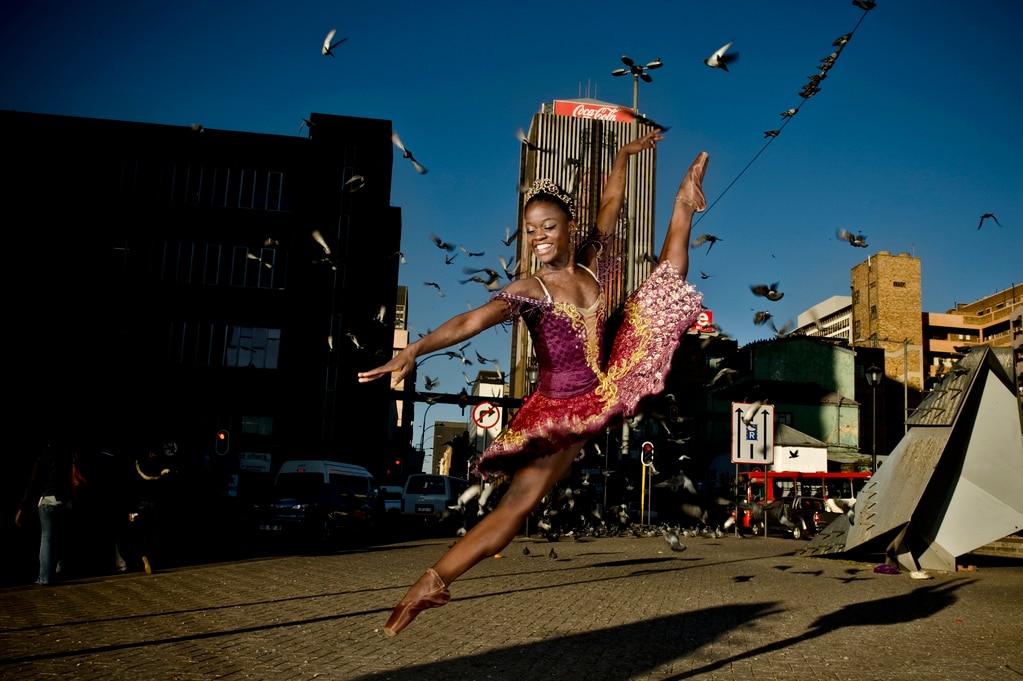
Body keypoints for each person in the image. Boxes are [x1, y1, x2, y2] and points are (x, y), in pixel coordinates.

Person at [358, 130, 708, 636]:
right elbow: (469, 322)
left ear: (569, 229)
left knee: (663, 285)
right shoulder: (530, 290)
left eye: (548, 226)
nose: (538, 237)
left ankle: (682, 203)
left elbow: (610, 201)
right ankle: (430, 582)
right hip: (561, 408)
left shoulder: (592, 262)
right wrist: (413, 349)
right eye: (529, 230)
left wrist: (626, 156)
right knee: (519, 505)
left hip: (604, 382)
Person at [15, 442, 74, 585]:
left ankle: (44, 576)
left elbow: (33, 483)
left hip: (47, 500)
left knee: (47, 538)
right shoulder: (67, 456)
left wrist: (22, 508)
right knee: (60, 537)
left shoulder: (43, 457)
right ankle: (59, 568)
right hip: (64, 501)